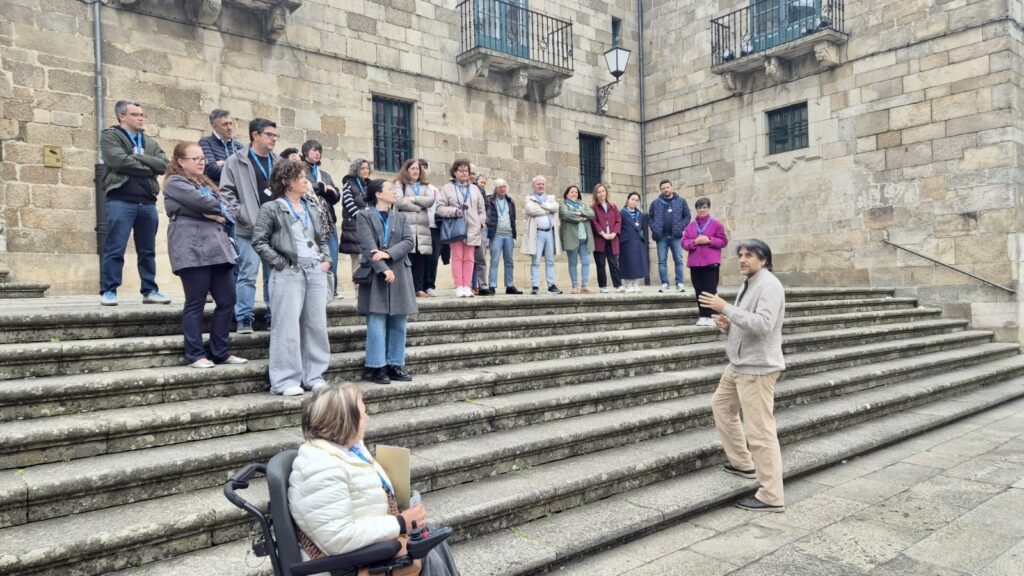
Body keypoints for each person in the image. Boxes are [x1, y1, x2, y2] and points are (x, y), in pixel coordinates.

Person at [288, 383, 461, 575]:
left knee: (431, 533)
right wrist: (400, 523)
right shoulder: (320, 467)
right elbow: (338, 537)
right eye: (362, 413)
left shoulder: (345, 451)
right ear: (344, 422)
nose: (367, 417)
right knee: (423, 552)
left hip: (365, 549)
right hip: (347, 564)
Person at [698, 240, 786, 513]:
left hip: (757, 369)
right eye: (740, 255)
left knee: (760, 432)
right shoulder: (750, 283)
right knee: (722, 406)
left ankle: (772, 496)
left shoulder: (769, 285)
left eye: (749, 255)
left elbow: (763, 325)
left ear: (764, 259)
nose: (742, 260)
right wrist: (727, 327)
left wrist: (725, 308)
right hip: (738, 364)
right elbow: (746, 322)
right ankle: (743, 463)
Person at [162, 142, 247, 369]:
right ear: (180, 161)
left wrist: (208, 211)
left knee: (228, 300)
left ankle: (220, 351)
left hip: (218, 248)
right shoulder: (175, 182)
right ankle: (195, 354)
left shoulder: (204, 182)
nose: (201, 162)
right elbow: (204, 202)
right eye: (195, 159)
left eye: (202, 158)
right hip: (191, 248)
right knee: (196, 302)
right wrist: (208, 211)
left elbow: (228, 205)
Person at [251, 160, 332, 396]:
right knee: (286, 326)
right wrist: (279, 263)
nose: (307, 181)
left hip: (315, 269)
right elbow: (258, 240)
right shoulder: (272, 208)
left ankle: (314, 375)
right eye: (301, 177)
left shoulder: (311, 207)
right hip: (289, 271)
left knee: (316, 324)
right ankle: (285, 380)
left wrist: (325, 260)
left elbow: (322, 237)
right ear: (287, 181)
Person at [98, 100, 171, 306]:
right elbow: (117, 161)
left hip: (147, 203)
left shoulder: (148, 142)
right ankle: (109, 290)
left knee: (147, 250)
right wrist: (148, 165)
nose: (141, 118)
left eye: (142, 114)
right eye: (136, 114)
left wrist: (136, 157)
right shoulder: (110, 136)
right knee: (115, 247)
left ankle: (149, 290)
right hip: (121, 201)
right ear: (122, 116)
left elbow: (164, 165)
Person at [219, 118, 281, 334]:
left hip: (275, 230)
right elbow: (225, 193)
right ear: (255, 135)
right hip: (248, 229)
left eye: (275, 136)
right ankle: (244, 317)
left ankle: (275, 315)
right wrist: (241, 214)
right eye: (269, 135)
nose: (273, 139)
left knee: (274, 275)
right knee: (247, 273)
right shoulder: (235, 161)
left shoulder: (279, 162)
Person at [356, 179, 417, 384]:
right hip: (376, 274)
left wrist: (388, 255)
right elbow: (368, 246)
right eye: (390, 189)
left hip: (400, 270)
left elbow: (409, 241)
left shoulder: (400, 217)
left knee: (399, 321)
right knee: (377, 321)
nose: (394, 192)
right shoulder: (364, 216)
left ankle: (395, 364)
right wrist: (383, 268)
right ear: (378, 194)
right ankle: (377, 366)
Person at [436, 159, 486, 298]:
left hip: (473, 229)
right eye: (461, 170)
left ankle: (467, 285)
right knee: (457, 257)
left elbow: (482, 210)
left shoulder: (475, 189)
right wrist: (454, 212)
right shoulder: (447, 188)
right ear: (454, 172)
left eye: (466, 171)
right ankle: (459, 286)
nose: (464, 173)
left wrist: (481, 223)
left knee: (469, 258)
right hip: (455, 227)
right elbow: (440, 208)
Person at [302, 140, 341, 296]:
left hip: (328, 221)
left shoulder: (325, 174)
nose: (317, 153)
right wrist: (323, 187)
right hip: (311, 221)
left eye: (319, 151)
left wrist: (326, 189)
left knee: (332, 257)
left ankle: (333, 289)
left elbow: (336, 196)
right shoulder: (302, 170)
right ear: (306, 152)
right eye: (314, 150)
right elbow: (307, 188)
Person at [683, 197, 729, 326]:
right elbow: (684, 243)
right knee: (699, 290)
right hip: (695, 264)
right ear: (696, 209)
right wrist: (694, 242)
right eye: (699, 207)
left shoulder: (716, 225)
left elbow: (723, 241)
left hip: (711, 263)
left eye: (704, 207)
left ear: (708, 208)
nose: (701, 210)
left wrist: (709, 240)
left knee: (710, 290)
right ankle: (703, 315)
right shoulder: (690, 226)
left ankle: (712, 316)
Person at [393, 159, 434, 298]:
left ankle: (418, 288)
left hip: (422, 228)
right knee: (407, 258)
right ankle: (406, 288)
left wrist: (413, 198)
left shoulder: (425, 186)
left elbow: (430, 201)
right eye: (412, 168)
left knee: (420, 258)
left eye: (417, 169)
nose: (416, 171)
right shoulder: (399, 184)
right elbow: (398, 201)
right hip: (406, 226)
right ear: (406, 170)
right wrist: (418, 207)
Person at [521, 175, 562, 295]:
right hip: (537, 234)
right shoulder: (529, 198)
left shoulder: (551, 198)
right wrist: (547, 210)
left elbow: (556, 207)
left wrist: (542, 206)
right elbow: (530, 210)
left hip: (549, 233)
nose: (541, 186)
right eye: (538, 184)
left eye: (542, 184)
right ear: (534, 185)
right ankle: (535, 286)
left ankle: (551, 285)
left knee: (550, 261)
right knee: (536, 261)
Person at [648, 179, 691, 293]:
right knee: (662, 261)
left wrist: (681, 227)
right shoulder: (655, 203)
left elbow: (687, 216)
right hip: (661, 237)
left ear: (672, 188)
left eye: (667, 187)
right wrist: (654, 228)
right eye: (663, 188)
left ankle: (680, 283)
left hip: (676, 236)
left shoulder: (681, 201)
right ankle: (665, 283)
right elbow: (650, 218)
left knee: (678, 260)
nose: (665, 190)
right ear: (661, 190)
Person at [485, 178, 521, 295]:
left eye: (504, 186)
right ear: (495, 188)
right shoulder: (489, 200)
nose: (502, 189)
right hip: (496, 234)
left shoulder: (510, 201)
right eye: (500, 187)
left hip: (509, 234)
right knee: (494, 260)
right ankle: (492, 285)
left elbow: (513, 217)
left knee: (509, 261)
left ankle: (509, 285)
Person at [559, 185, 595, 294]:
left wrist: (582, 213)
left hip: (585, 238)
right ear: (567, 194)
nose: (574, 194)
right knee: (572, 263)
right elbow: (566, 215)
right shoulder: (563, 204)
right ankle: (574, 286)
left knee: (586, 262)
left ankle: (585, 285)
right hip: (571, 238)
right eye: (572, 192)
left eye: (576, 192)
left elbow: (592, 214)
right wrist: (583, 217)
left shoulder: (583, 204)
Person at [341, 158, 372, 281]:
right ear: (356, 170)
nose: (365, 171)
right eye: (362, 168)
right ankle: (358, 291)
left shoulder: (370, 185)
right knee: (357, 260)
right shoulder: (349, 183)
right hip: (354, 227)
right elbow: (349, 204)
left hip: (369, 226)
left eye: (367, 168)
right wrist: (362, 217)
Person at [590, 183, 623, 293]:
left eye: (603, 191)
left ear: (606, 192)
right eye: (598, 192)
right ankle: (603, 286)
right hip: (600, 239)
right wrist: (603, 234)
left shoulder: (613, 206)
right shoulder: (593, 207)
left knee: (614, 263)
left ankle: (618, 285)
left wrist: (614, 233)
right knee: (601, 264)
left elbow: (618, 220)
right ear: (596, 194)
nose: (601, 194)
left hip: (612, 239)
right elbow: (594, 222)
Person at [419, 159, 443, 296]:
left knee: (433, 257)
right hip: (420, 226)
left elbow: (439, 207)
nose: (423, 172)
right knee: (420, 257)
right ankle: (418, 286)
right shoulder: (412, 188)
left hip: (433, 227)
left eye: (425, 168)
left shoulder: (434, 189)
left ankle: (429, 285)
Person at [198, 109, 242, 184]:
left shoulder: (238, 146)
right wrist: (236, 170)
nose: (229, 128)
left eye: (231, 124)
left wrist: (224, 163)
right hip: (216, 191)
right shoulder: (205, 143)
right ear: (214, 127)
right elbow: (211, 169)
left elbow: (246, 170)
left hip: (236, 191)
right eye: (225, 124)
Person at [619, 192, 648, 292]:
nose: (634, 202)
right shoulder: (622, 213)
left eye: (636, 200)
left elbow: (642, 228)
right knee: (628, 262)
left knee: (637, 263)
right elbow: (619, 227)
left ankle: (635, 284)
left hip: (638, 241)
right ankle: (627, 284)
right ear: (628, 200)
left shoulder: (640, 214)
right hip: (627, 241)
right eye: (632, 199)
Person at [471, 169, 489, 295]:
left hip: (480, 227)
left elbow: (485, 208)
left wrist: (482, 223)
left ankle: (482, 285)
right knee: (468, 259)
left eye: (473, 173)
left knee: (481, 258)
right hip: (467, 227)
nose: (471, 176)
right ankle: (470, 285)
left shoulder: (480, 191)